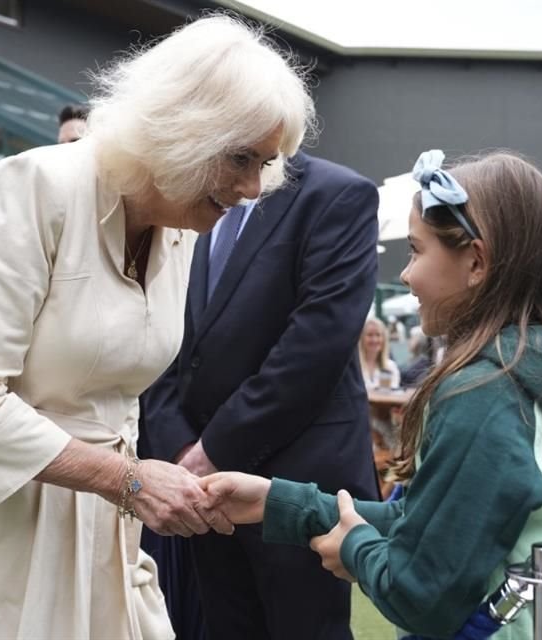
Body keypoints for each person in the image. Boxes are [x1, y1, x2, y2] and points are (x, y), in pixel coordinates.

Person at [0, 15, 315, 639]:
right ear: (181, 129)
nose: (253, 187)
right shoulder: (34, 187)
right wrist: (127, 479)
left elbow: (117, 391)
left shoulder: (182, 224)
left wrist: (151, 480)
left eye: (266, 162)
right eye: (240, 157)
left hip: (89, 508)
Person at [199, 150, 542, 639]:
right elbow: (427, 520)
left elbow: (419, 593)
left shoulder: (484, 394)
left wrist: (356, 547)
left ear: (476, 261)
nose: (406, 274)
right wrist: (277, 502)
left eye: (417, 251)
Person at [139, 146, 380, 637]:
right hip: (201, 487)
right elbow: (157, 328)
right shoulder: (185, 197)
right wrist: (180, 446)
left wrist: (210, 452)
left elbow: (315, 346)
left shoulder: (336, 194)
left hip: (300, 480)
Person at [360, 316, 401, 390]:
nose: (374, 339)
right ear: (361, 339)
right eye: (370, 335)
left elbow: (394, 395)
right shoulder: (355, 367)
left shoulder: (391, 367)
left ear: (384, 339)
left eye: (378, 335)